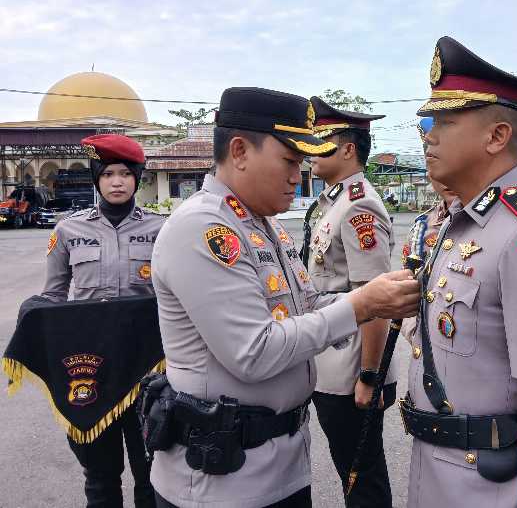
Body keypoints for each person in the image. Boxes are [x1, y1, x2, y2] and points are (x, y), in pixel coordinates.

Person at [149, 87, 420, 508]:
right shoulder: (205, 229)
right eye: (290, 161)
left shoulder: (262, 224)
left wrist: (375, 299)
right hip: (222, 482)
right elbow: (254, 352)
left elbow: (307, 305)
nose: (300, 173)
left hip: (278, 465)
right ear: (239, 151)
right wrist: (362, 305)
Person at [403, 36, 517, 508]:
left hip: (491, 486)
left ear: (496, 136)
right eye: (428, 121)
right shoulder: (462, 223)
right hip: (440, 472)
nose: (429, 134)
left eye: (445, 122)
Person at [42, 134, 163, 508]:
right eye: (108, 173)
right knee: (99, 477)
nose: (116, 182)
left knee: (152, 473)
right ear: (96, 179)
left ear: (137, 180)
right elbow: (52, 298)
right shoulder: (67, 231)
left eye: (126, 174)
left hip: (148, 369)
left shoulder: (163, 230)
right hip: (90, 368)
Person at [303, 97, 396, 508]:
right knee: (350, 472)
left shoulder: (359, 205)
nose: (310, 151)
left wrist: (370, 376)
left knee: (362, 476)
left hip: (353, 369)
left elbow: (376, 298)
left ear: (347, 148)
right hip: (332, 362)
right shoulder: (332, 201)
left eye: (321, 141)